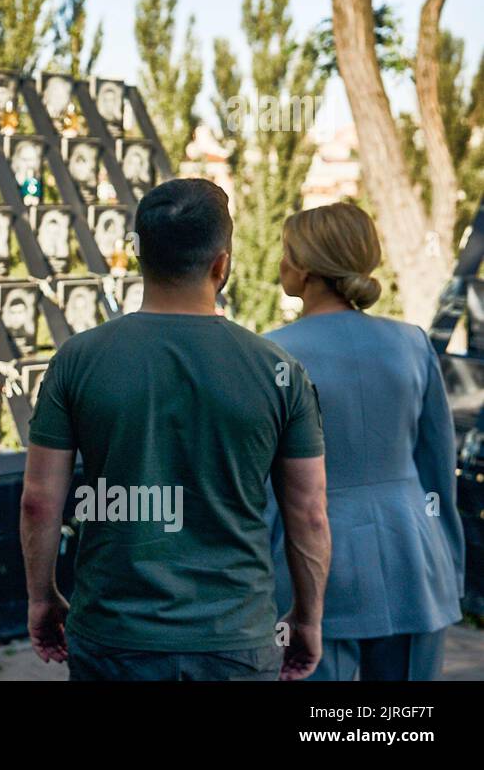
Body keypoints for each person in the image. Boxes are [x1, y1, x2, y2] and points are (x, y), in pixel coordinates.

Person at [22, 178, 330, 681]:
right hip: (235, 640)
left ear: (141, 258)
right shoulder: (279, 370)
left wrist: (42, 597)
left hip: (114, 636)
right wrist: (308, 618)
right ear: (221, 264)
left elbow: (39, 500)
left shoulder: (77, 360)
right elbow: (310, 512)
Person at [264, 202, 464, 680]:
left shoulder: (271, 352)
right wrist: (451, 566)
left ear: (308, 267)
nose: (281, 264)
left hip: (306, 565)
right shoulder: (413, 342)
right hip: (415, 560)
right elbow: (438, 465)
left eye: (287, 253)